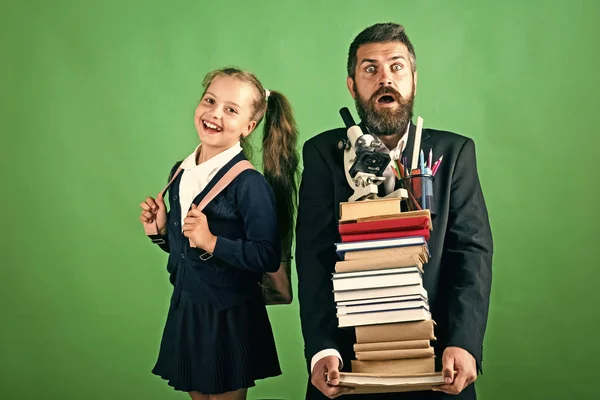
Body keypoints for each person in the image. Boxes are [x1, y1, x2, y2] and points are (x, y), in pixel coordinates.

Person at [295, 23, 493, 400]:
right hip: (348, 362)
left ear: (414, 81)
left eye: (396, 67)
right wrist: (322, 349)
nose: (384, 78)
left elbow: (471, 253)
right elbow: (313, 255)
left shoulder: (454, 153)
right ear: (352, 86)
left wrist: (464, 343)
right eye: (370, 69)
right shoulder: (323, 154)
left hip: (439, 361)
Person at [139, 67, 299, 400]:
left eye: (231, 109)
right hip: (188, 306)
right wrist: (160, 234)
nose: (215, 114)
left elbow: (266, 256)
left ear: (248, 127)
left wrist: (212, 240)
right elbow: (187, 250)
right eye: (210, 101)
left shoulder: (249, 183)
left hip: (229, 315)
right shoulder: (180, 172)